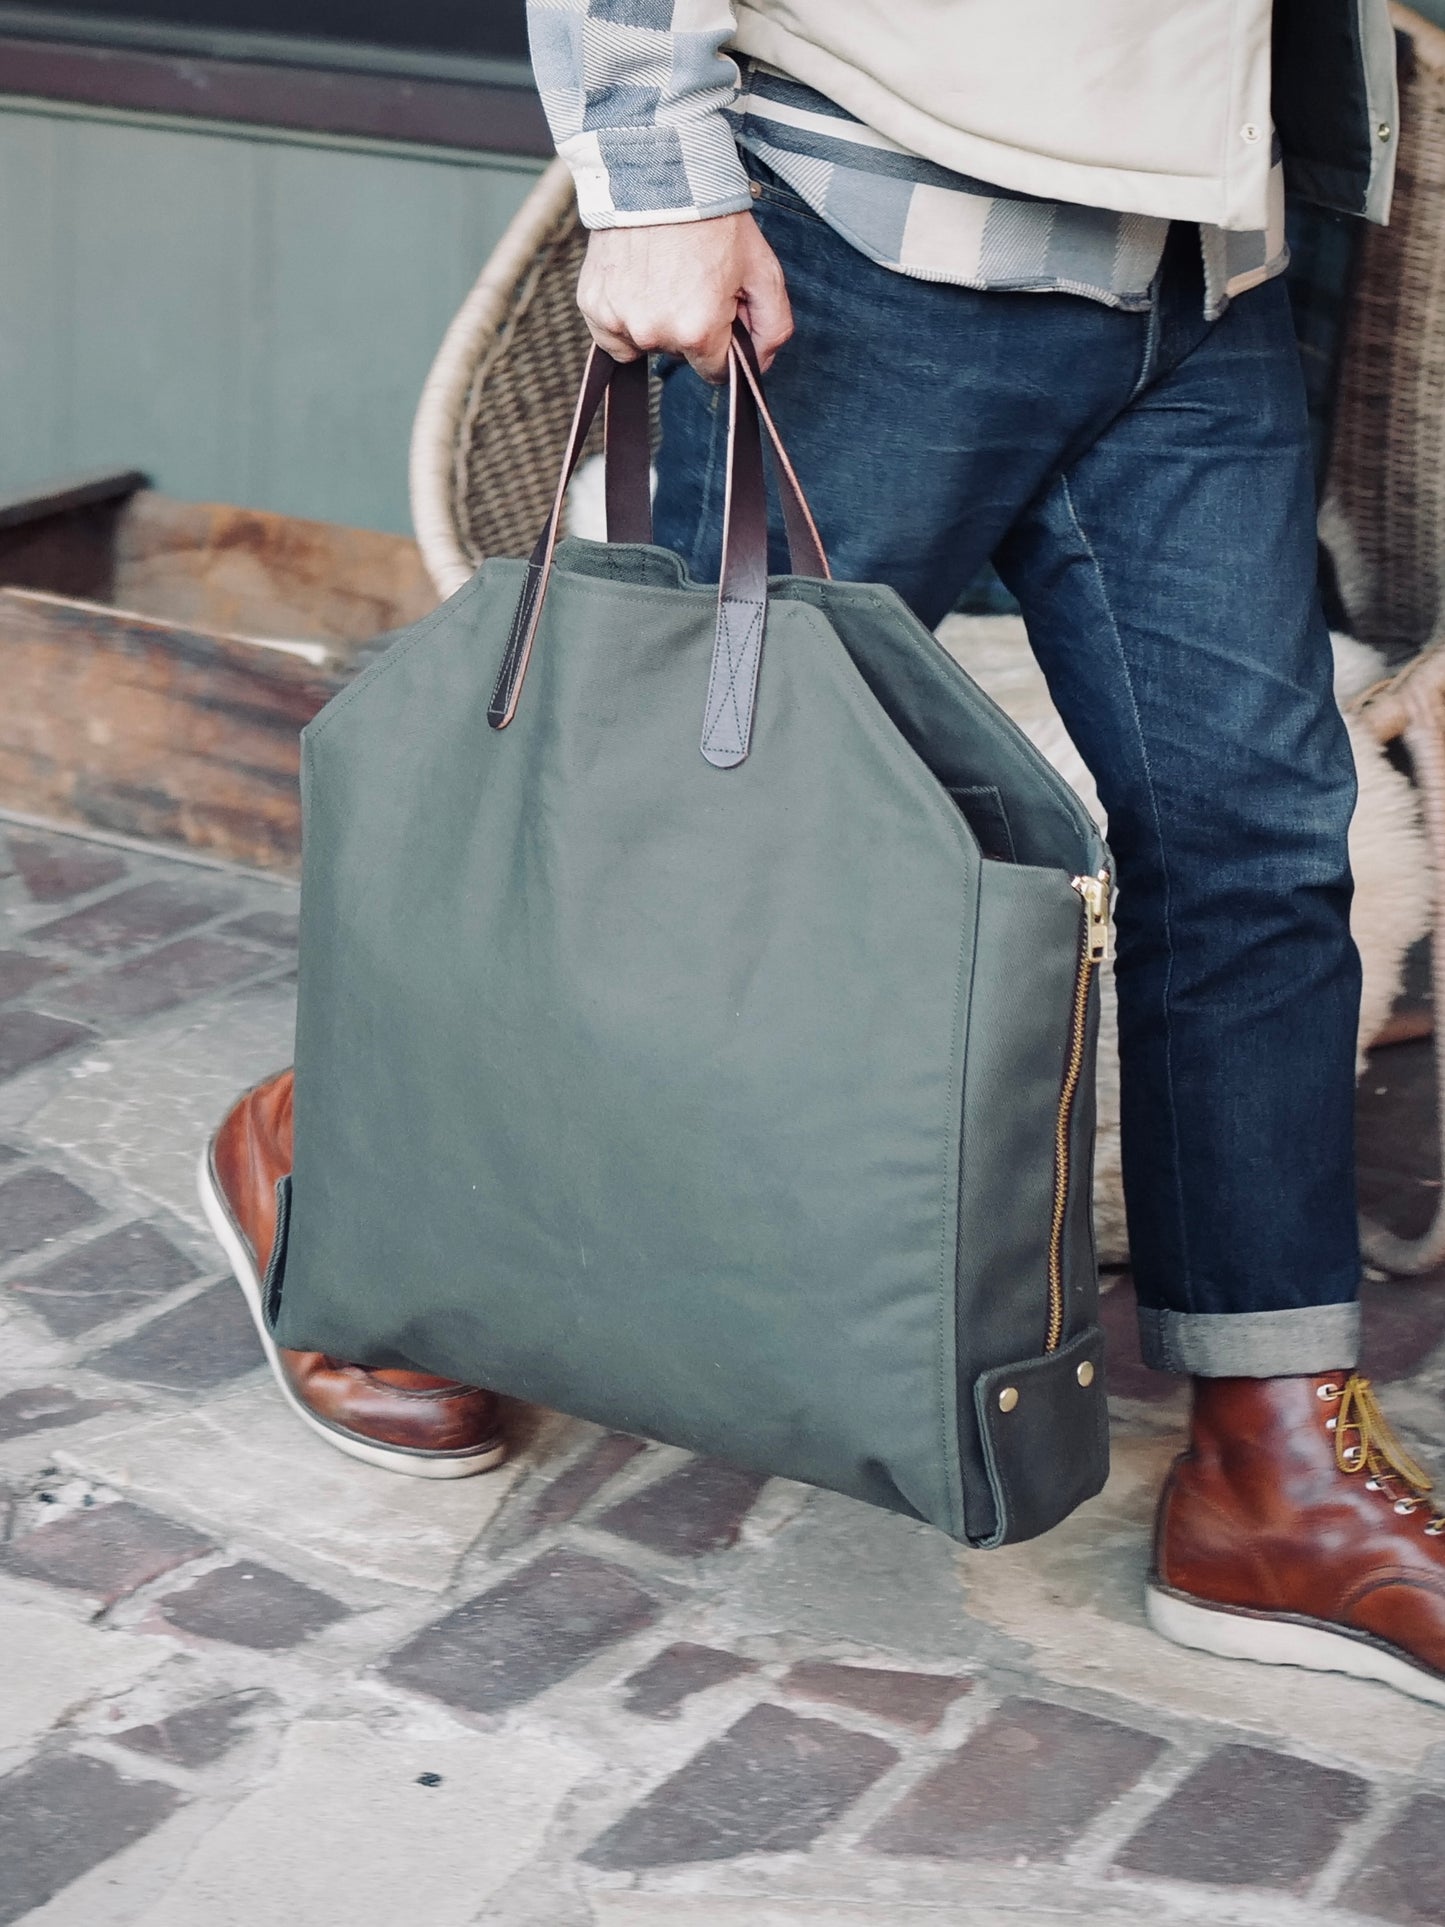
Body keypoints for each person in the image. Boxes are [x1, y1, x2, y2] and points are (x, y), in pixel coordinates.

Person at [200, 0, 1445, 1706]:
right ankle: (334, 1166)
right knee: (688, 843)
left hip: (1199, 255)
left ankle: (1270, 1470)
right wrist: (650, 176)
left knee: (1257, 842)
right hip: (867, 232)